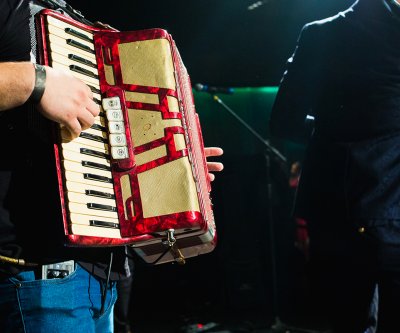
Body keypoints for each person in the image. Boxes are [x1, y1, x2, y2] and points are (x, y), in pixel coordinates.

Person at [0, 0, 224, 332]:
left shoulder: (73, 18)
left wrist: (173, 167)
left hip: (99, 275)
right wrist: (34, 81)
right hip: (35, 276)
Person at [269, 0, 400, 332]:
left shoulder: (319, 34)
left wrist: (331, 123)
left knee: (349, 323)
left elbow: (283, 120)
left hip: (334, 210)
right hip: (390, 206)